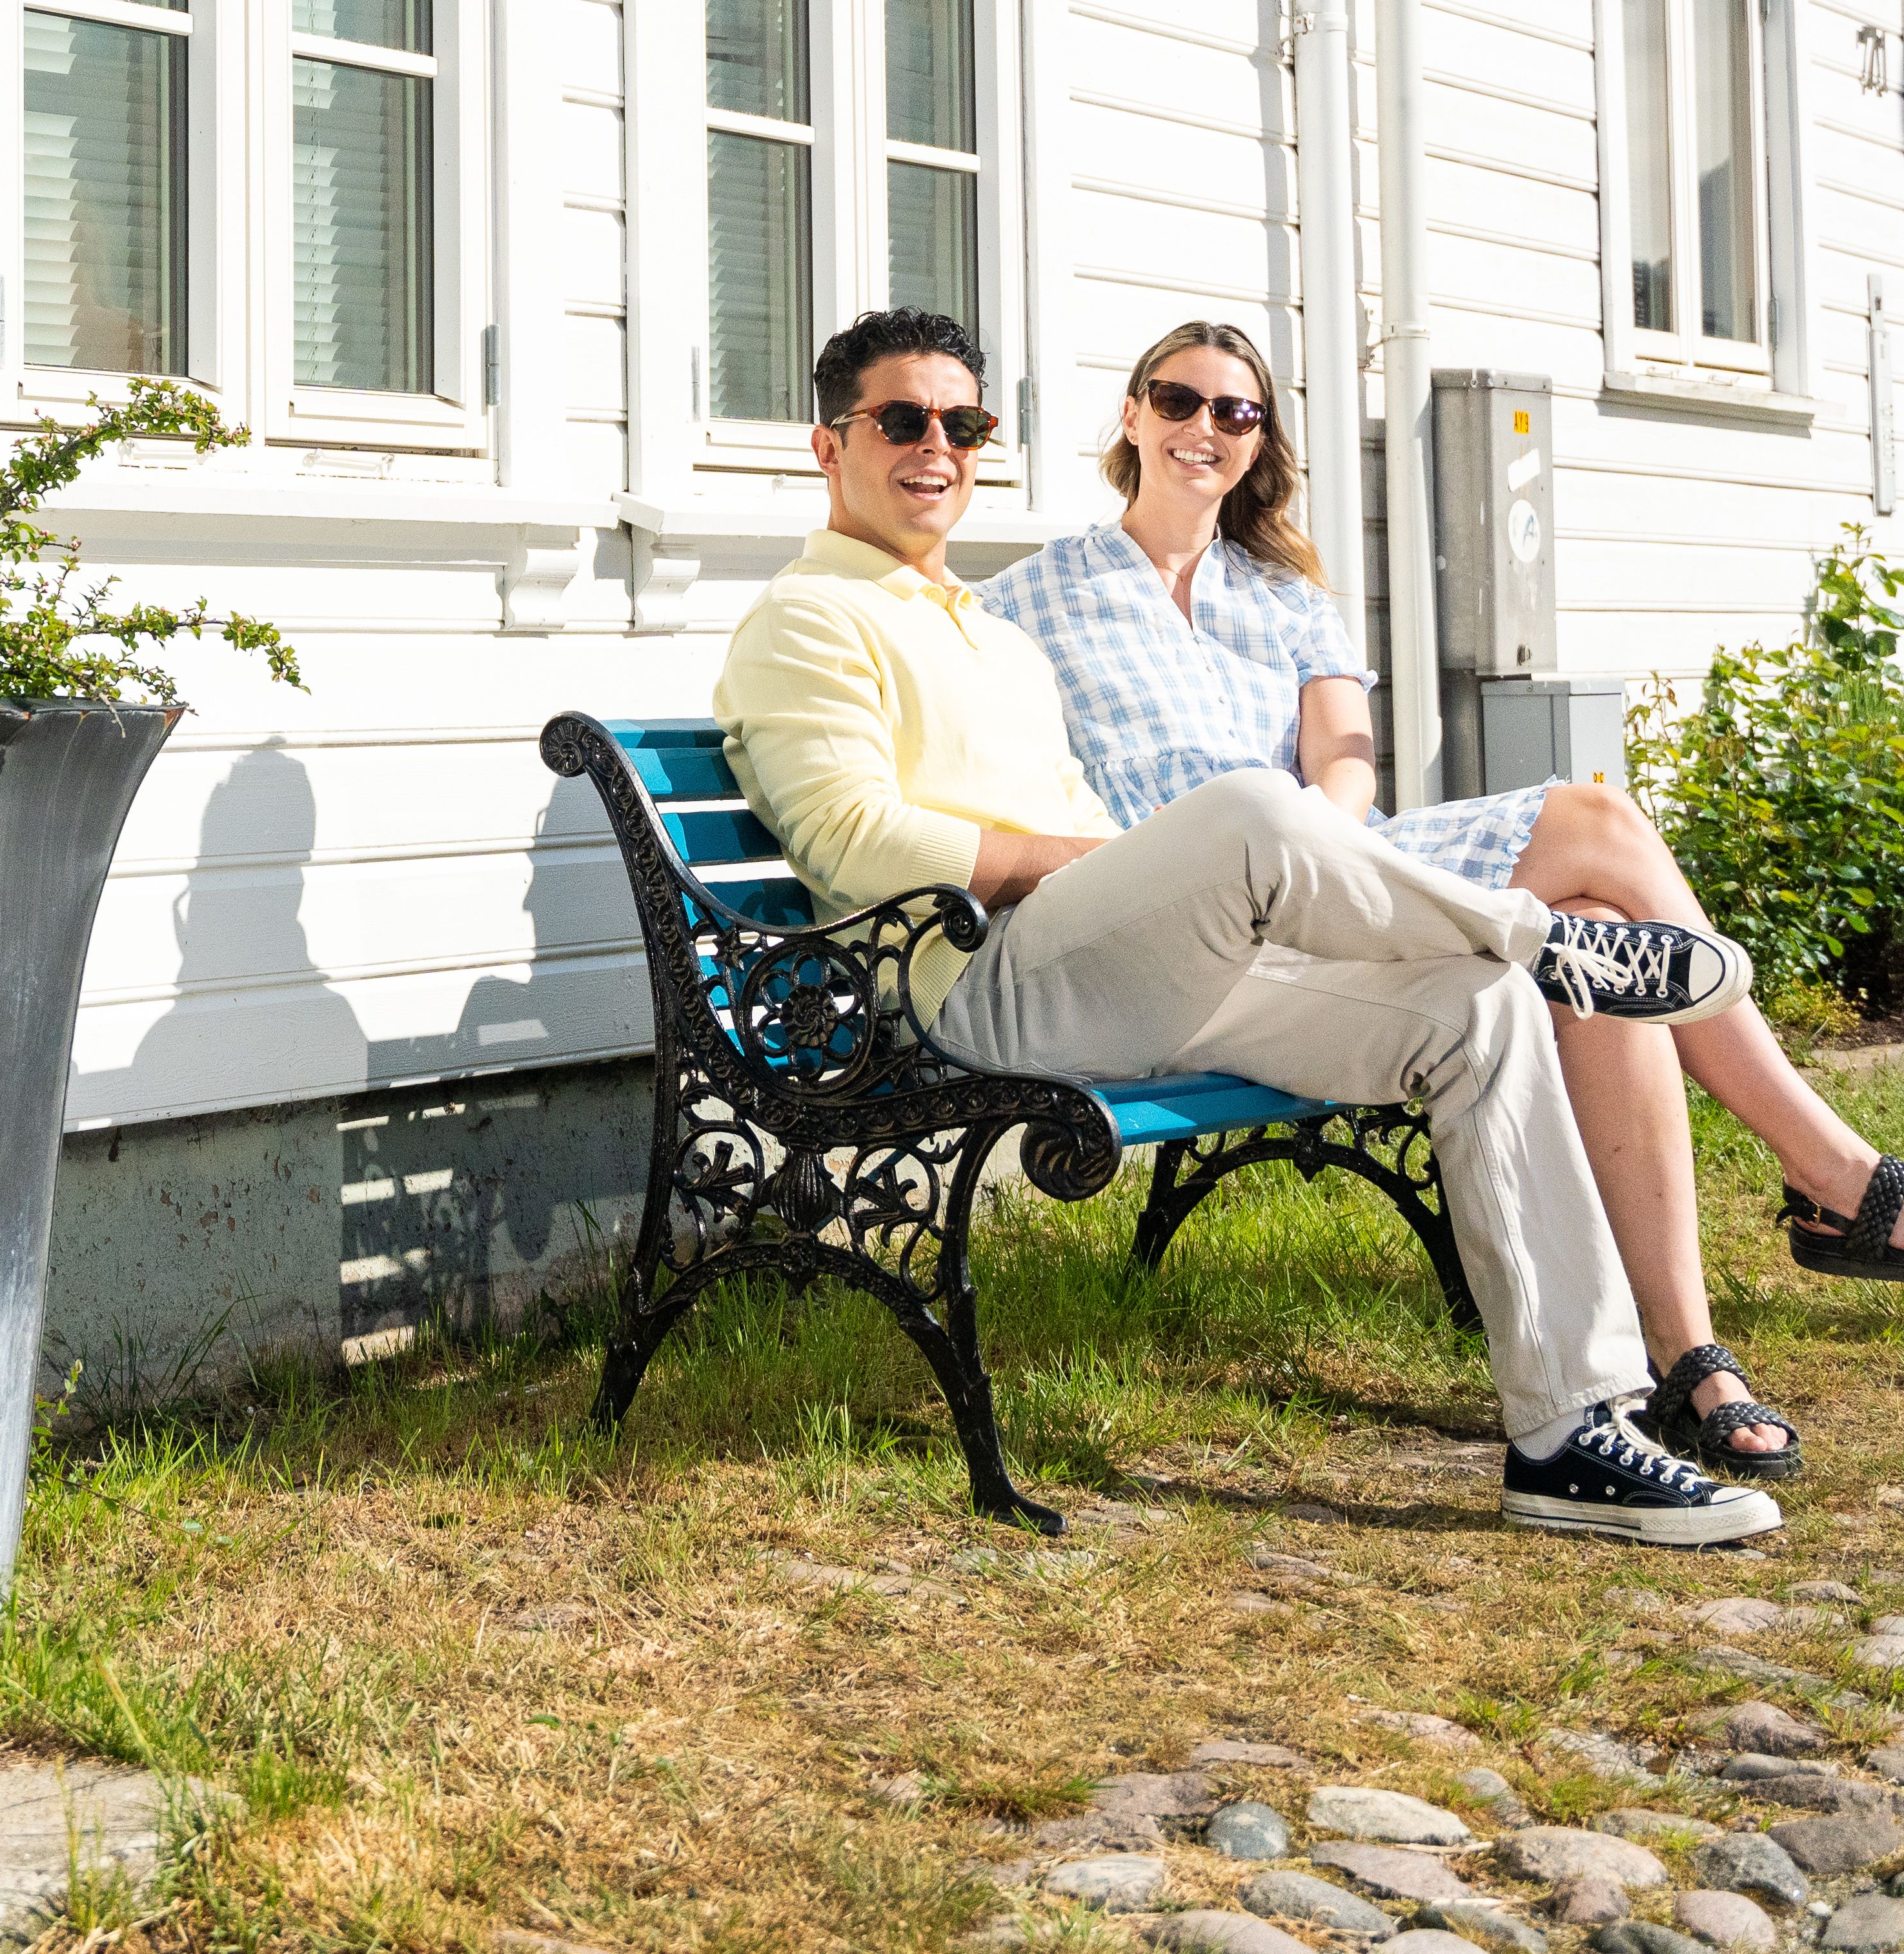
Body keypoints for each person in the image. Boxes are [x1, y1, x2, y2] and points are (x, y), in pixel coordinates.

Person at [713, 305, 1782, 1545]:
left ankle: (1568, 1432)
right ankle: (1547, 938)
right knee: (1250, 808)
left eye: (963, 423)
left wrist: (1143, 882)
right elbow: (852, 840)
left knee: (1476, 1011)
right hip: (977, 989)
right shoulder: (809, 618)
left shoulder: (980, 623)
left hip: (1120, 972)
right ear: (825, 446)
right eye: (900, 421)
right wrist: (1114, 866)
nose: (935, 447)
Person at [987, 320, 1904, 1476]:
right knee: (1594, 839)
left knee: (1595, 931)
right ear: (1133, 415)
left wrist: (1330, 846)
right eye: (1179, 401)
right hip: (1189, 917)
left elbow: (1347, 764)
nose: (1204, 428)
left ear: (1259, 442)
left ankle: (1688, 1356)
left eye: (1235, 413)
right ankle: (1832, 1178)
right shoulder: (1033, 598)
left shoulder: (1285, 597)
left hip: (1349, 876)